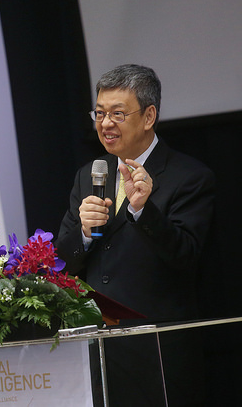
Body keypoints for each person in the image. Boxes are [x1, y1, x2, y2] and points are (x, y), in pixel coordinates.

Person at [56, 64, 215, 406]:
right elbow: (61, 263)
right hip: (99, 351)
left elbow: (186, 256)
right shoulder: (89, 174)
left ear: (148, 116)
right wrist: (84, 233)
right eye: (99, 113)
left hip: (158, 352)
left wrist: (144, 211)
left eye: (117, 113)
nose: (105, 124)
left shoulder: (189, 176)